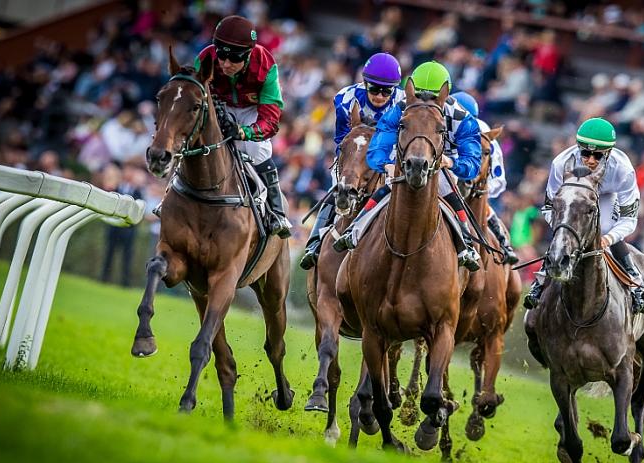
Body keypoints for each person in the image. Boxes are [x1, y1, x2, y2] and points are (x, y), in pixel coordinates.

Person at [331, 61, 483, 271]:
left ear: (444, 96)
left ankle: (466, 243)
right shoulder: (400, 109)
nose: (424, 103)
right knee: (389, 185)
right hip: (407, 158)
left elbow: (473, 162)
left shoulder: (462, 118)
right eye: (419, 96)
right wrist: (385, 165)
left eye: (432, 98)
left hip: (443, 162)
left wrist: (452, 163)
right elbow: (379, 145)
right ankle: (355, 229)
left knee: (447, 188)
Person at [523, 117, 644, 314]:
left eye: (598, 155)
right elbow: (549, 208)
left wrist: (607, 239)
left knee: (606, 226)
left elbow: (629, 220)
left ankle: (635, 281)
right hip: (575, 197)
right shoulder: (560, 163)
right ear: (578, 148)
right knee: (565, 230)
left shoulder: (623, 170)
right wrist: (564, 228)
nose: (591, 160)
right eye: (585, 153)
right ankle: (540, 280)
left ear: (609, 152)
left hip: (607, 196)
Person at [299, 52, 405, 270]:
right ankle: (315, 242)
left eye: (386, 91)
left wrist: (385, 164)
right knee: (338, 185)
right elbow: (342, 139)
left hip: (388, 154)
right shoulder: (345, 98)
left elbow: (401, 142)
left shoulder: (403, 103)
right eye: (374, 89)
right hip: (353, 152)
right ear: (365, 83)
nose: (380, 96)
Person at [194, 15, 291, 238]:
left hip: (251, 110)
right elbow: (193, 96)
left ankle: (276, 211)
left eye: (234, 58)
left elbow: (271, 120)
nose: (226, 64)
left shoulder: (266, 64)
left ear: (248, 54)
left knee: (257, 149)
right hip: (217, 105)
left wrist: (243, 132)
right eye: (222, 55)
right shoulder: (205, 58)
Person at [449, 90, 518, 264]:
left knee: (483, 205)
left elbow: (499, 180)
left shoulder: (486, 137)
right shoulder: (444, 128)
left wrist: (480, 188)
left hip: (476, 189)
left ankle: (504, 243)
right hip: (448, 185)